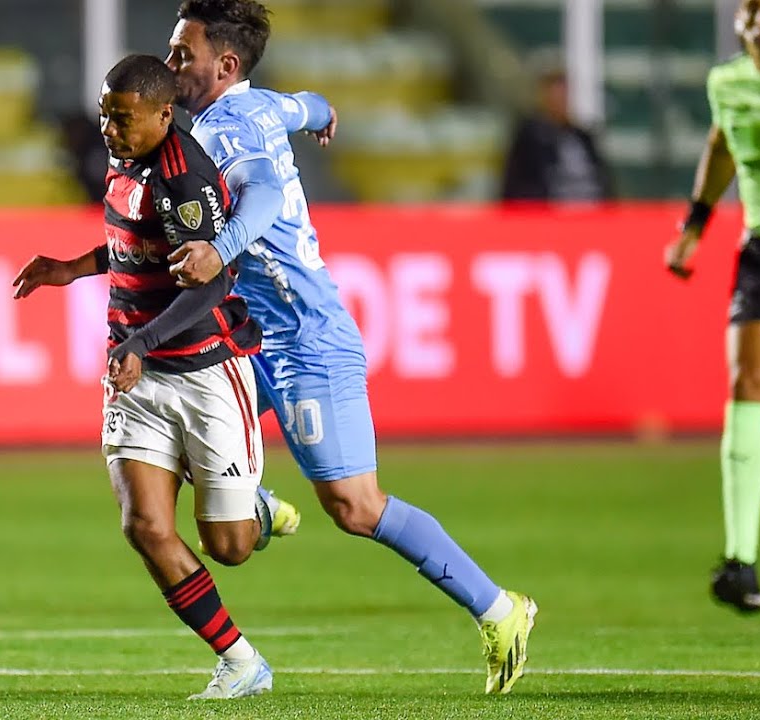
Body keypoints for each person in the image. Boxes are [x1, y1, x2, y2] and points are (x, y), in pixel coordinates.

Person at [163, 0, 537, 695]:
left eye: (184, 53)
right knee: (172, 423)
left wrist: (220, 248)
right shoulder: (260, 106)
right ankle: (258, 504)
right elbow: (306, 104)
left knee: (356, 506)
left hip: (305, 338)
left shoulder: (227, 127)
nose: (171, 63)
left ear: (226, 65)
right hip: (252, 335)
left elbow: (263, 196)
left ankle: (499, 609)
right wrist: (323, 113)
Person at [11, 53, 280, 700]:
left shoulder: (184, 179)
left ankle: (256, 509)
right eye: (106, 116)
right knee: (144, 526)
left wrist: (143, 340)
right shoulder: (125, 156)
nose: (109, 130)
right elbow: (138, 245)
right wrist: (72, 269)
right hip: (135, 374)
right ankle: (241, 662)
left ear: (164, 114)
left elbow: (209, 282)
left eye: (123, 119)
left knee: (230, 546)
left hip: (203, 371)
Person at [663, 0, 760, 615]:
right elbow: (721, 147)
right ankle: (740, 560)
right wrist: (694, 227)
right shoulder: (727, 83)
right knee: (747, 385)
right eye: (751, 10)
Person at [498, 62, 616, 203]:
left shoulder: (583, 136)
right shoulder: (530, 137)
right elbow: (517, 188)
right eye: (558, 93)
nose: (563, 99)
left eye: (567, 93)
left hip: (592, 211)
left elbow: (604, 182)